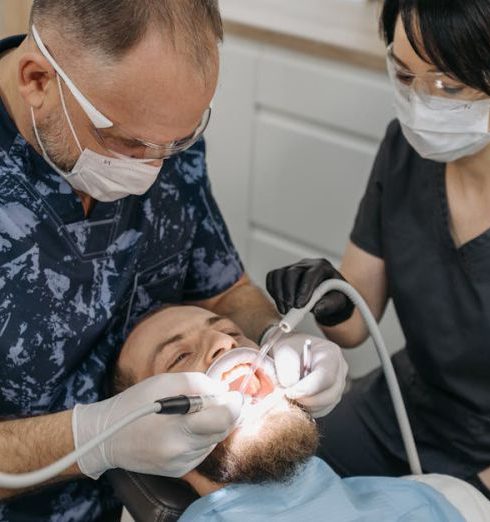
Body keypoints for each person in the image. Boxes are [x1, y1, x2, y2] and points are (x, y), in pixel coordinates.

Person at [0, 1, 347, 520]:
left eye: (179, 140)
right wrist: (93, 438)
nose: (154, 167)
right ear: (37, 80)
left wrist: (276, 338)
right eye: (129, 144)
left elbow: (223, 289)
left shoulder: (159, 131)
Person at [266, 0, 490, 501]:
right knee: (274, 480)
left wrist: (463, 498)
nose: (421, 104)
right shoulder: (405, 152)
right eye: (405, 75)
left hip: (484, 456)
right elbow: (351, 326)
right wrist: (328, 295)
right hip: (403, 409)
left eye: (449, 87)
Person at [113, 304, 490, 522]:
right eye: (179, 356)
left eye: (230, 330)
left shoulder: (443, 497)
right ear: (151, 439)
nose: (225, 343)